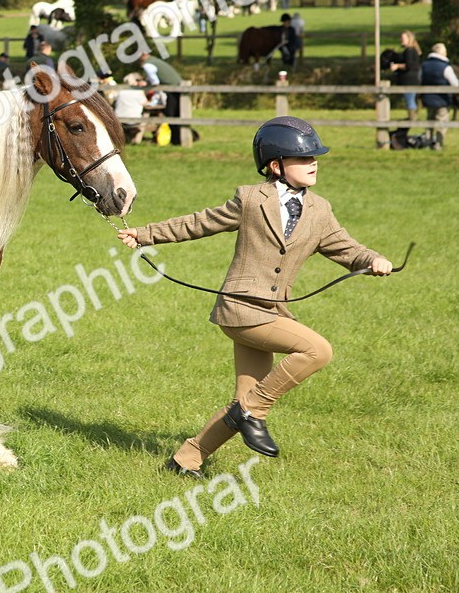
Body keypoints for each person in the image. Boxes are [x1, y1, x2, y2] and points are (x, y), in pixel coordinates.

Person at [117, 117, 392, 478]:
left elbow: (347, 248)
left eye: (315, 157)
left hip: (273, 310)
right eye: (303, 158)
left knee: (241, 399)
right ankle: (253, 412)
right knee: (317, 351)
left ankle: (187, 459)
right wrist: (145, 234)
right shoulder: (250, 199)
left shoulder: (320, 211)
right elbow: (200, 222)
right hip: (241, 309)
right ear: (276, 166)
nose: (314, 163)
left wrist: (372, 259)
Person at [140, 52, 186, 144]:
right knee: (176, 114)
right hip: (176, 89)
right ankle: (177, 138)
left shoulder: (148, 64)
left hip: (172, 91)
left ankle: (177, 139)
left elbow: (155, 82)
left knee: (171, 114)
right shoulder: (155, 61)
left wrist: (146, 84)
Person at [420, 42, 458, 149]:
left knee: (429, 121)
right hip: (442, 99)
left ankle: (427, 142)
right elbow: (455, 84)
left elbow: (420, 79)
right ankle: (438, 143)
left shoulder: (424, 65)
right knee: (442, 121)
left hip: (427, 98)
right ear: (442, 53)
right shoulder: (445, 67)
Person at [389, 30, 422, 120]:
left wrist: (397, 66)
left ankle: (412, 118)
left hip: (409, 81)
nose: (401, 40)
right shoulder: (412, 50)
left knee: (410, 100)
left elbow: (409, 65)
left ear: (409, 39)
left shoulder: (409, 51)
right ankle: (412, 117)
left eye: (403, 38)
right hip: (413, 79)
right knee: (411, 99)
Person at [113, 74, 149, 145]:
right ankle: (137, 140)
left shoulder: (120, 91)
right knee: (146, 115)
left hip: (119, 119)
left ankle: (126, 138)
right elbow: (146, 104)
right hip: (134, 120)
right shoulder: (138, 92)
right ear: (134, 82)